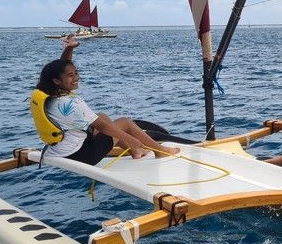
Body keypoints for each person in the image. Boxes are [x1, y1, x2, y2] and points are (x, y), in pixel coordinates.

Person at [33, 35, 177, 165]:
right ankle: (160, 151)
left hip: (62, 151)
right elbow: (103, 127)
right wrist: (132, 140)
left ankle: (135, 152)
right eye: (71, 76)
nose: (76, 78)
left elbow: (62, 67)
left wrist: (69, 48)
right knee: (125, 122)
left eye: (76, 73)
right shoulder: (70, 104)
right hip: (83, 155)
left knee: (102, 116)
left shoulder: (50, 93)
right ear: (57, 81)